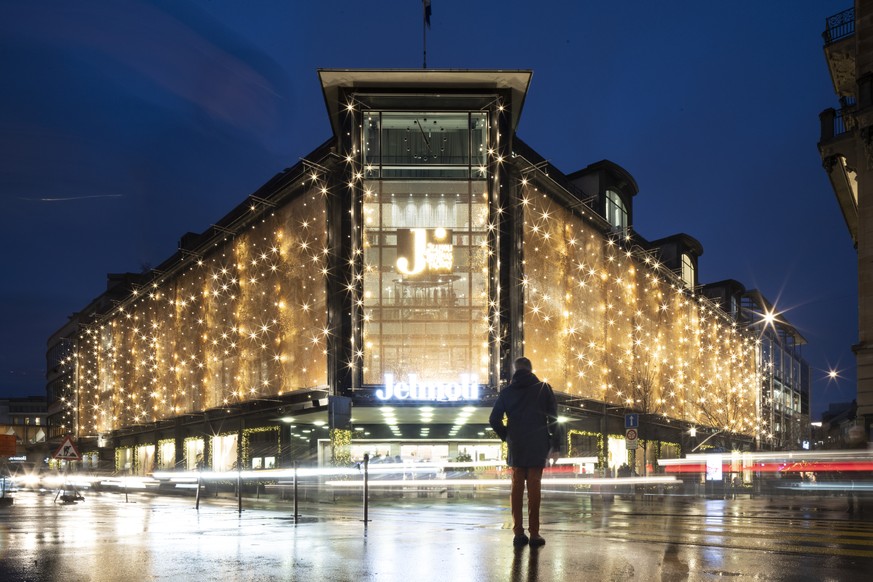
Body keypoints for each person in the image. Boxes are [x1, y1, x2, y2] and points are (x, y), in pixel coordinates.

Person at [489, 357, 561, 548]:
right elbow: (554, 418)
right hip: (538, 447)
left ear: (515, 370)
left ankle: (518, 533)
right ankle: (535, 534)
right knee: (534, 490)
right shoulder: (543, 389)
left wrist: (507, 437)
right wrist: (556, 446)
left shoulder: (507, 392)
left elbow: (494, 419)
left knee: (517, 489)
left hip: (517, 447)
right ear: (531, 369)